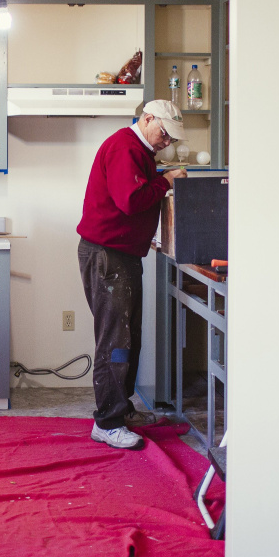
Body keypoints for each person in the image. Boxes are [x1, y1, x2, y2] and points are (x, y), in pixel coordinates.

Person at [76, 100, 189, 450]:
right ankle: (107, 422)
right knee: (115, 341)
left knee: (128, 338)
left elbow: (134, 193)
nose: (166, 141)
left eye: (171, 138)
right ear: (148, 118)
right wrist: (166, 181)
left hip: (120, 256)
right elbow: (130, 200)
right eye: (164, 133)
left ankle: (121, 411)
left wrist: (158, 177)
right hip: (107, 256)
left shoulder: (137, 150)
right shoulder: (125, 147)